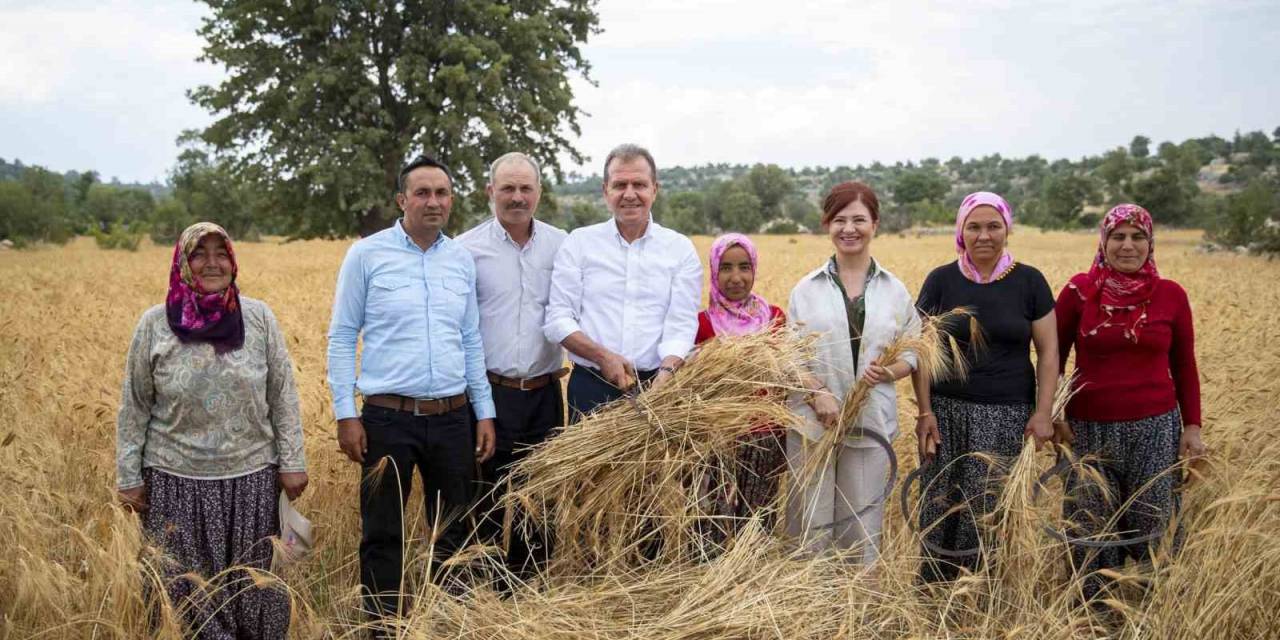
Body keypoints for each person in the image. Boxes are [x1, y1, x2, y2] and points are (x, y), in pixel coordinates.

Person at [116, 221, 307, 639]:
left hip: (251, 481)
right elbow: (135, 405)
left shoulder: (258, 319)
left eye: (221, 253)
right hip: (175, 484)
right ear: (183, 263)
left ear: (233, 260)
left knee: (253, 594)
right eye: (199, 254)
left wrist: (293, 461)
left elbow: (283, 395)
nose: (212, 263)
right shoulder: (154, 324)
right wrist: (128, 477)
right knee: (184, 597)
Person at [326, 156, 496, 622]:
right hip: (387, 419)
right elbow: (342, 334)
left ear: (452, 200)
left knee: (454, 529)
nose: (433, 202)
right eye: (422, 193)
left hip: (452, 416)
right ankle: (383, 628)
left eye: (441, 193)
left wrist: (483, 411)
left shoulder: (461, 259)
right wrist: (346, 412)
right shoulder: (367, 255)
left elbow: (469, 338)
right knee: (383, 533)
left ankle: (446, 624)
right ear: (402, 200)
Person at [1054, 203, 1204, 601]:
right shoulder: (1078, 292)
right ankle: (1095, 613)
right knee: (1090, 528)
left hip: (1155, 428)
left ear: (1150, 242)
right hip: (1087, 429)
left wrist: (1192, 426)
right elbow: (1051, 355)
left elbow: (1185, 365)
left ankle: (1151, 609)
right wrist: (1054, 413)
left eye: (1138, 237)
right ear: (1103, 242)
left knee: (1155, 525)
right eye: (1118, 236)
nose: (1127, 245)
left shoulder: (1171, 295)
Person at [911, 191, 1058, 582]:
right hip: (947, 413)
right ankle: (934, 597)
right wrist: (925, 412)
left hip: (1007, 416)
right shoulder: (941, 281)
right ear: (961, 230)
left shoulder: (1030, 282)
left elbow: (1048, 353)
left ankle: (982, 597)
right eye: (973, 226)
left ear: (1007, 228)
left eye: (993, 226)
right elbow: (920, 352)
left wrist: (1043, 412)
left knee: (989, 510)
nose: (984, 235)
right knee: (940, 506)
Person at [786, 182, 920, 564]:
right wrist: (816, 393)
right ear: (827, 224)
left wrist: (889, 372)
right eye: (839, 219)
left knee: (861, 524)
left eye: (859, 219)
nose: (849, 229)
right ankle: (808, 608)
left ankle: (858, 608)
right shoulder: (805, 289)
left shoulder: (894, 290)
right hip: (814, 422)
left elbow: (914, 349)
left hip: (870, 420)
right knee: (810, 522)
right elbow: (789, 355)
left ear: (875, 224)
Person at [457, 152, 568, 577]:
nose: (517, 197)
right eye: (508, 188)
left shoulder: (562, 245)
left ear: (538, 193)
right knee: (484, 497)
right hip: (489, 394)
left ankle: (530, 588)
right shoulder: (466, 250)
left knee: (539, 499)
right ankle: (483, 589)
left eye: (525, 188)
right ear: (490, 193)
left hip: (545, 394)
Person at [543, 143, 702, 421]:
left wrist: (665, 375)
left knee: (654, 466)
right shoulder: (579, 243)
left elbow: (681, 325)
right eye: (620, 185)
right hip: (591, 388)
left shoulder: (679, 249)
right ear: (606, 191)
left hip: (658, 386)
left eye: (639, 184)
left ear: (655, 189)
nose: (630, 194)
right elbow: (558, 318)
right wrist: (603, 357)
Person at [694, 233, 788, 536]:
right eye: (726, 268)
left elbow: (787, 372)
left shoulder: (774, 319)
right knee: (712, 525)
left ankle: (755, 580)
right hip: (716, 440)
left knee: (759, 526)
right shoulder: (701, 324)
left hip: (766, 437)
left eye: (744, 267)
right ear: (713, 271)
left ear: (754, 269)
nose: (736, 277)